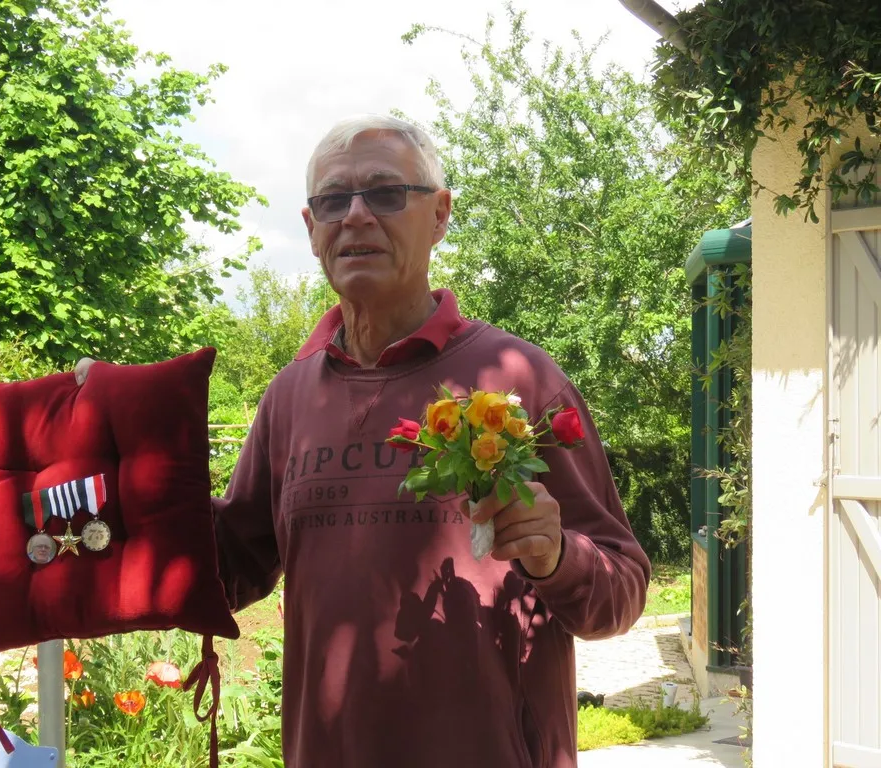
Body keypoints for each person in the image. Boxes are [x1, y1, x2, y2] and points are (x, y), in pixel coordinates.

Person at [76, 114, 650, 768]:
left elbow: (622, 592)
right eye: (332, 200)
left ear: (440, 214)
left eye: (384, 193)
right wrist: (129, 461)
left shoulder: (519, 379)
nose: (355, 216)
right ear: (311, 229)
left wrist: (556, 556)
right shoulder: (290, 397)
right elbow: (225, 572)